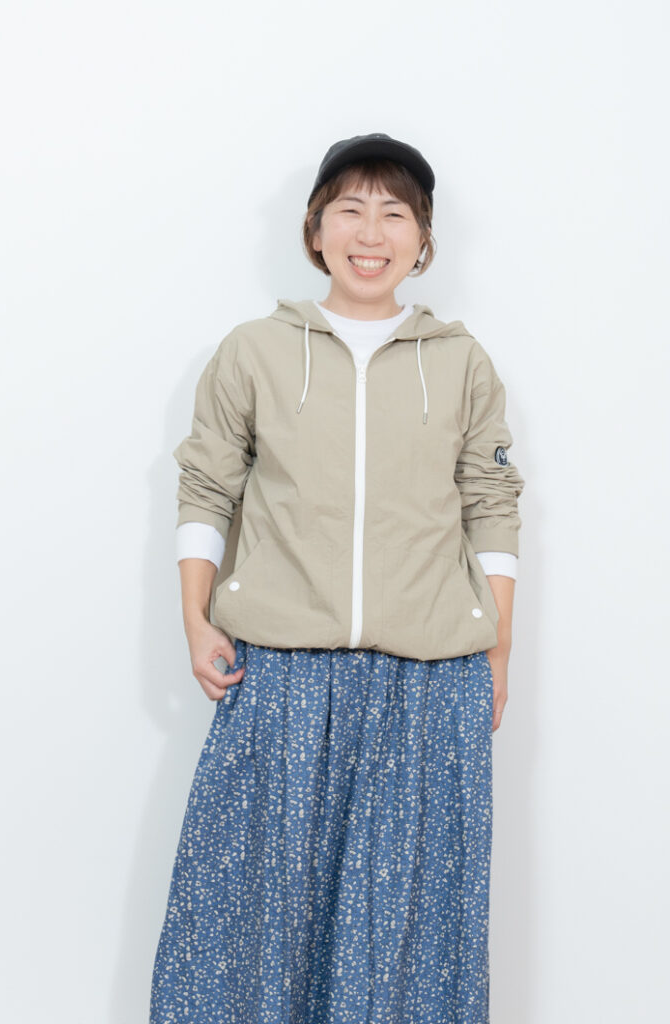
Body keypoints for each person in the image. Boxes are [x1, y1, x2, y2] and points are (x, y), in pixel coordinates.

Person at [150, 133, 525, 1024]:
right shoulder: (253, 352)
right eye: (350, 209)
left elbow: (492, 505)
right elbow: (207, 486)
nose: (372, 232)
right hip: (281, 677)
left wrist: (498, 649)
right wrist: (195, 618)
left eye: (396, 213)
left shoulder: (461, 363)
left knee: (407, 935)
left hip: (427, 684)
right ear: (315, 229)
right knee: (251, 921)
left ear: (423, 239)